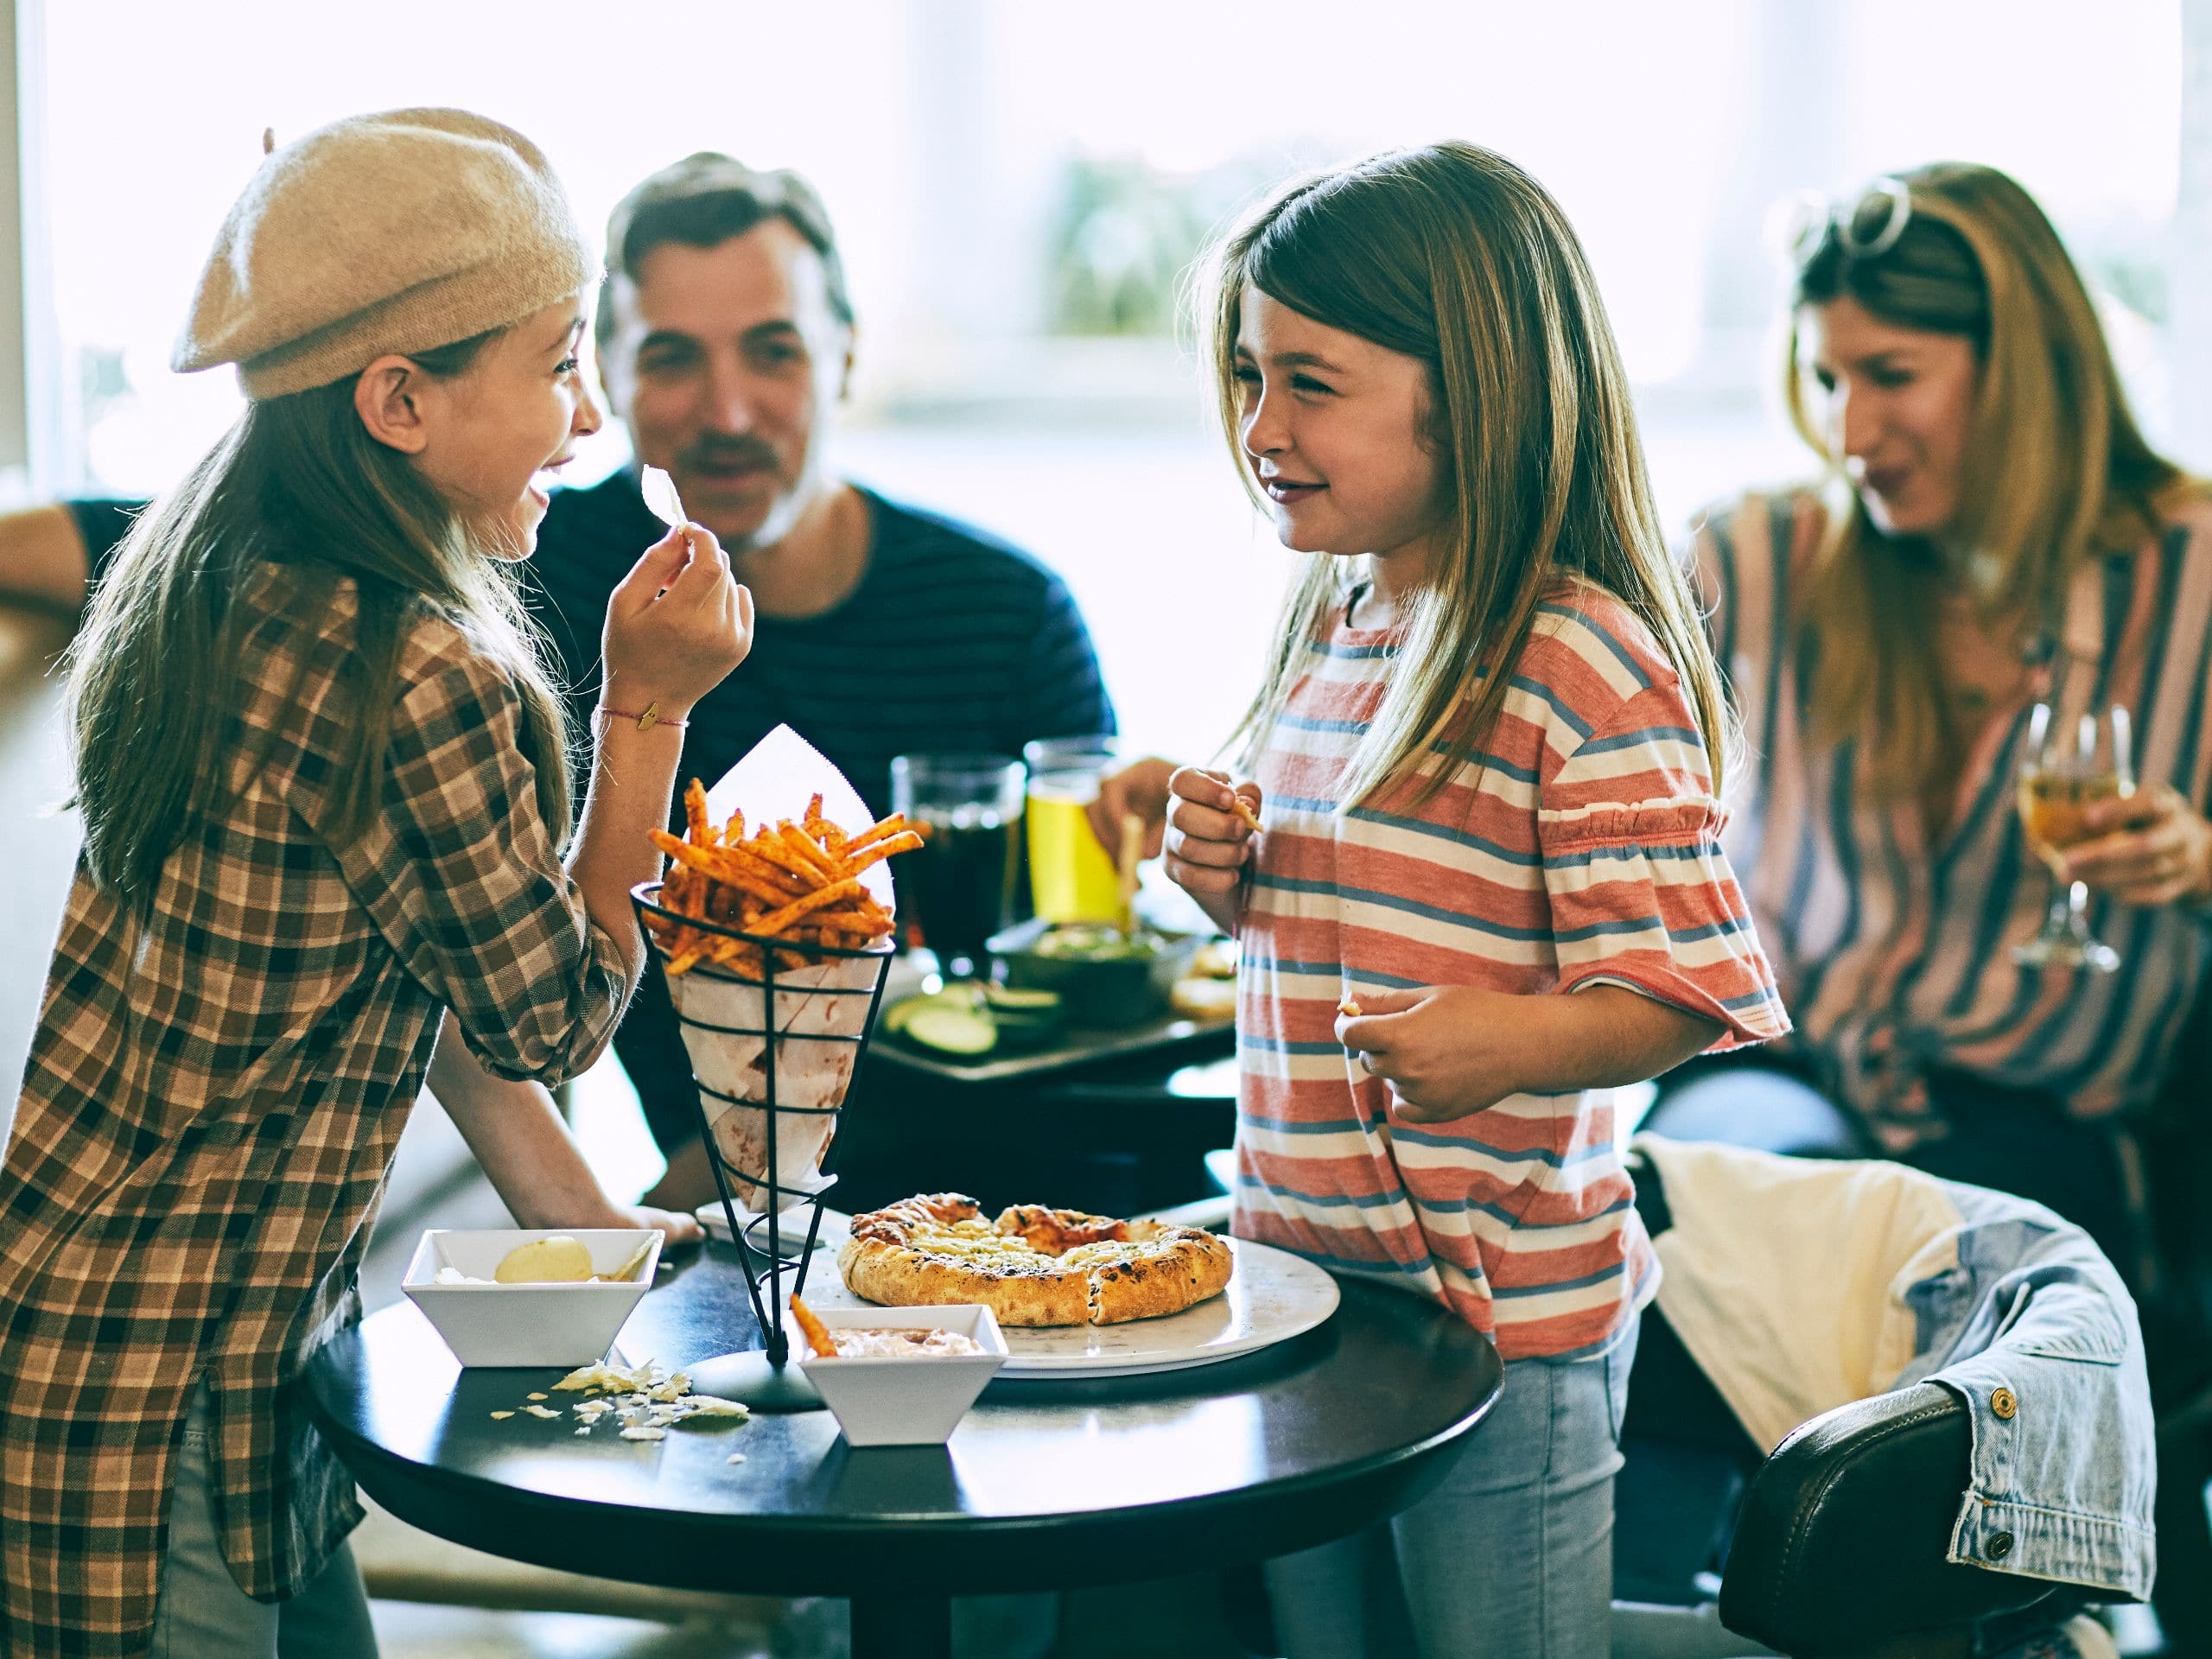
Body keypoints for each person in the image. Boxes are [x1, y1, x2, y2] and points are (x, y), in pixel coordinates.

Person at [0, 151, 1116, 1211]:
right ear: (607, 371)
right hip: (712, 1200)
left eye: (773, 350)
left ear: (846, 356)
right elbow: (166, 534)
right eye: (672, 358)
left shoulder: (1009, 610)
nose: (727, 412)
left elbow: (1090, 946)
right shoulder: (510, 570)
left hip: (1012, 1169)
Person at [0, 110, 749, 1658]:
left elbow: (423, 971)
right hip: (175, 1411)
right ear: (400, 399)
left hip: (110, 1351)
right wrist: (649, 711)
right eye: (555, 364)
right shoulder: (415, 673)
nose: (592, 415)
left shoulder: (220, 582)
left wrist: (580, 1210)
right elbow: (554, 1016)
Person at [1143, 143, 1789, 1657]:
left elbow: (1684, 988)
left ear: (1474, 390)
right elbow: (1361, 920)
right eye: (1249, 375)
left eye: (1311, 382)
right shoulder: (1340, 611)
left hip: (1505, 1326)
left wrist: (1504, 1042)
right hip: (1305, 1288)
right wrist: (1232, 884)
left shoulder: (1581, 659)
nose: (1261, 427)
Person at [1659, 162, 2212, 1272]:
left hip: (2039, 1115)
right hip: (1776, 1077)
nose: (1847, 427)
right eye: (1823, 377)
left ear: (2025, 371)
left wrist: (2198, 862)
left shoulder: (2192, 572)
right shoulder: (1755, 558)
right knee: (1750, 1209)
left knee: (1970, 1268)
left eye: (1890, 373)